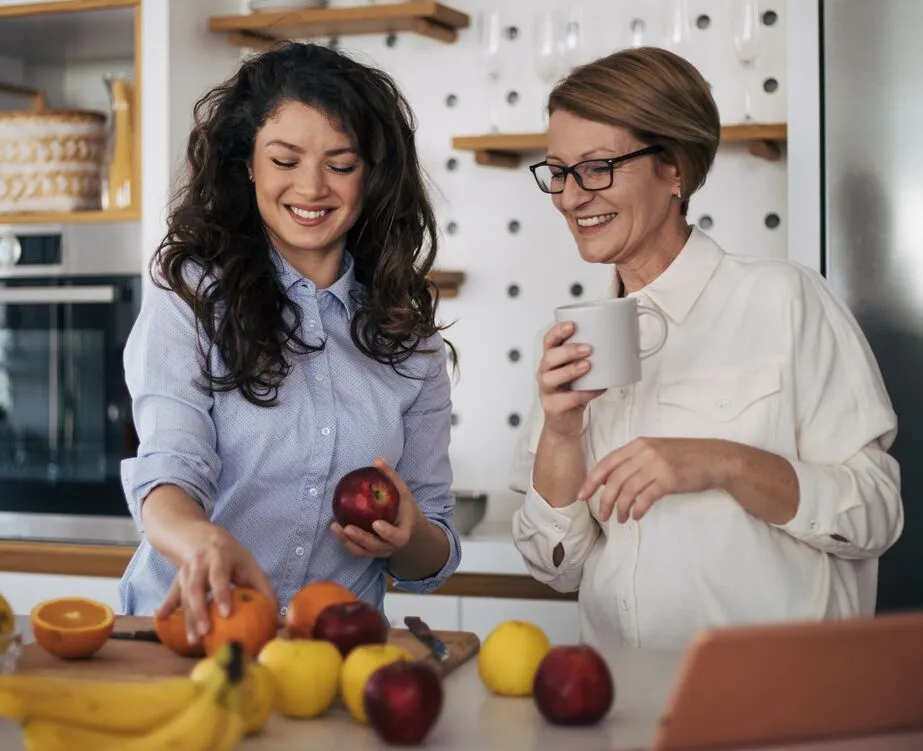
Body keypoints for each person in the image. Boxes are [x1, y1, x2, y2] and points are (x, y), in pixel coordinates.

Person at [509, 47, 903, 652]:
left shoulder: (784, 300)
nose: (569, 196)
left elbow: (876, 515)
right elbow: (556, 567)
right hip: (622, 704)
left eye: (597, 167)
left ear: (675, 170)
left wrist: (723, 462)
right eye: (559, 172)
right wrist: (561, 431)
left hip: (774, 705)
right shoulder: (576, 339)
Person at [119, 42, 460, 645]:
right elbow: (169, 470)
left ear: (372, 174)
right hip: (182, 635)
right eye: (285, 159)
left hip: (329, 650)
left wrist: (410, 537)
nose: (312, 186)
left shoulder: (410, 341)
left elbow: (431, 556)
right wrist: (204, 540)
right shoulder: (191, 300)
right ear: (247, 164)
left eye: (341, 163)